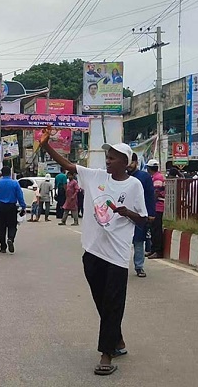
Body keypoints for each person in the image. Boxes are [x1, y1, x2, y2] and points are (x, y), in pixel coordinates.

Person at [40, 129, 148, 377]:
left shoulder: (134, 186)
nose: (107, 160)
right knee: (102, 301)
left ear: (124, 161)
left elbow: (143, 219)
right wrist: (46, 146)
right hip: (92, 251)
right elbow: (67, 163)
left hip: (117, 255)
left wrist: (126, 212)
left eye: (112, 157)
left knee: (112, 304)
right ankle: (117, 339)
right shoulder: (94, 176)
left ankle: (106, 354)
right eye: (107, 156)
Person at [127, 154, 156, 277]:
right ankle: (117, 266)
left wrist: (151, 213)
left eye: (131, 162)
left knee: (139, 241)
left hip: (139, 214)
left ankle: (139, 267)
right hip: (123, 214)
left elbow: (150, 196)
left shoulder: (144, 177)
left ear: (136, 162)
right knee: (120, 242)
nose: (129, 165)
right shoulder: (121, 176)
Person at [0, 166, 26, 253]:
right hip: (11, 207)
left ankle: (3, 247)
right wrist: (23, 206)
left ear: (2, 174)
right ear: (10, 173)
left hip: (0, 207)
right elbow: (20, 196)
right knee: (12, 225)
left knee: (1, 227)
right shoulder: (15, 183)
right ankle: (10, 238)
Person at [146, 159, 165, 260]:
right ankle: (153, 250)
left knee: (156, 229)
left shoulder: (157, 178)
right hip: (156, 206)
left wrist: (150, 204)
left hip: (157, 206)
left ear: (149, 168)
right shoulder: (155, 177)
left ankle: (158, 251)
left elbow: (156, 193)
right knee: (153, 229)